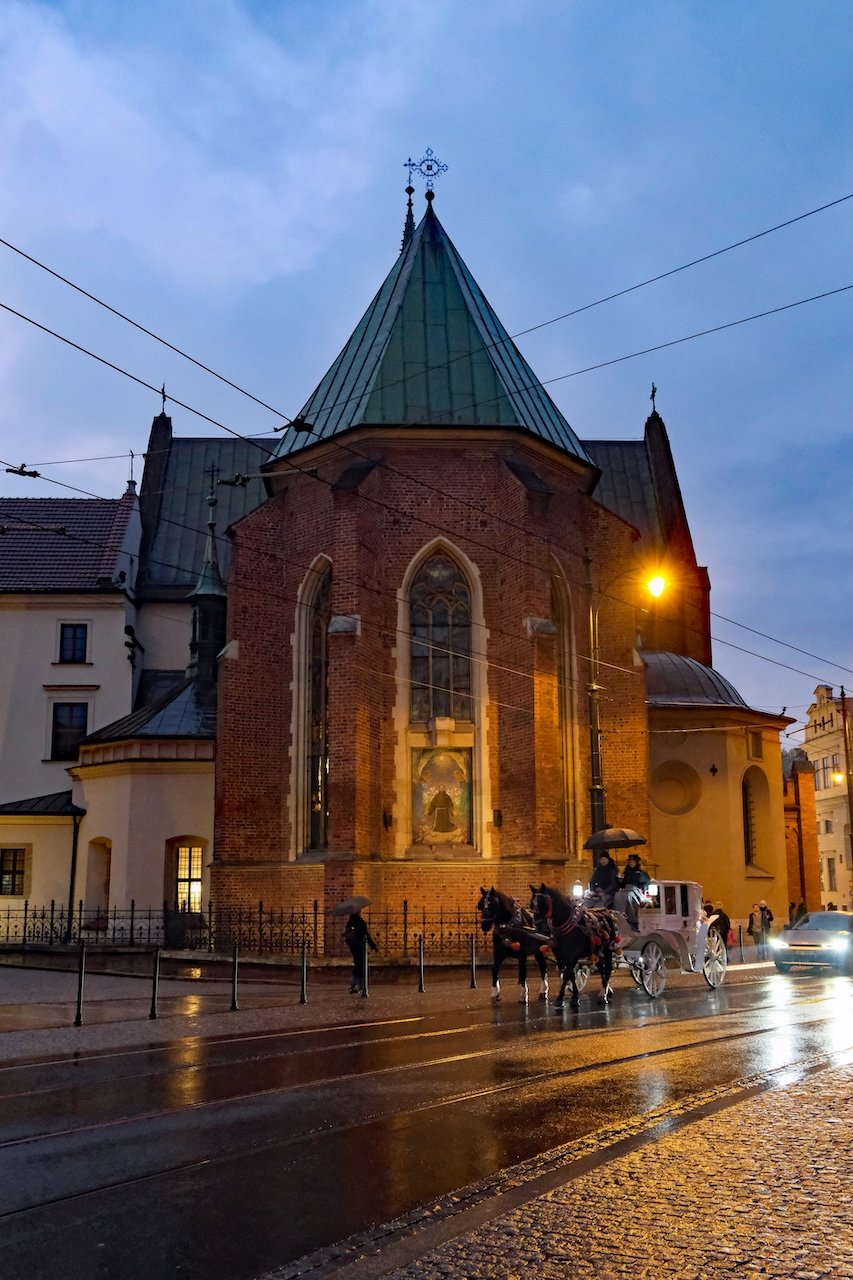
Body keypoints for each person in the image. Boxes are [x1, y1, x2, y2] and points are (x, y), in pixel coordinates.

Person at [614, 852, 650, 929]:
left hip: (636, 889)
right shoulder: (626, 872)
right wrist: (619, 879)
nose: (631, 862)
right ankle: (620, 914)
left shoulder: (641, 873)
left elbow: (646, 883)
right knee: (618, 895)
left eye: (632, 861)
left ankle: (632, 919)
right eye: (629, 861)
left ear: (636, 862)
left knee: (629, 896)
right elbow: (622, 884)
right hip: (626, 889)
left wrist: (644, 890)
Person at [344, 909, 377, 993]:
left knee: (357, 964)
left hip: (353, 946)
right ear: (358, 912)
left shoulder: (350, 921)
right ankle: (361, 986)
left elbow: (347, 934)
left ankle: (353, 985)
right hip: (360, 945)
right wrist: (373, 946)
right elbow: (366, 935)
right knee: (362, 965)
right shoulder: (360, 921)